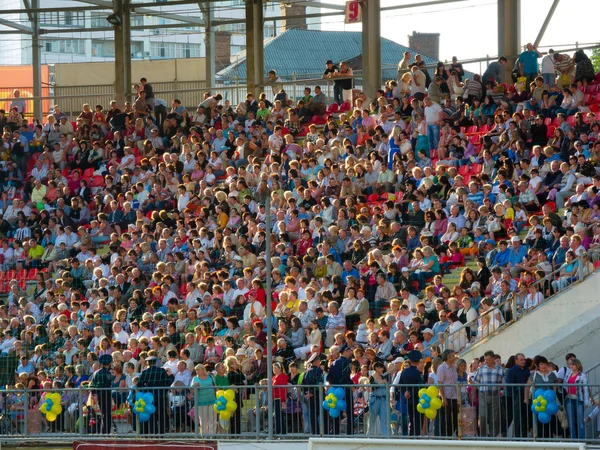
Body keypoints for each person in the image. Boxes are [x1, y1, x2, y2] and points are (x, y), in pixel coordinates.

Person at [138, 354, 175, 435]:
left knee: (151, 414)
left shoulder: (145, 372)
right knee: (161, 414)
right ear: (155, 363)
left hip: (149, 397)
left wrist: (145, 387)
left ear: (148, 363)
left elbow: (139, 384)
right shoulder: (162, 371)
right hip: (161, 396)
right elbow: (168, 382)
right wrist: (171, 376)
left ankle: (152, 431)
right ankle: (161, 432)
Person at [472, 350, 504, 437]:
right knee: (482, 416)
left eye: (488, 360)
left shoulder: (500, 369)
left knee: (494, 418)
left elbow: (504, 383)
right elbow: (476, 382)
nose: (486, 362)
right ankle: (483, 437)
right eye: (485, 360)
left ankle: (494, 437)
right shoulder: (481, 369)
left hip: (495, 395)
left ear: (493, 359)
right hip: (483, 395)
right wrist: (473, 394)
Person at [326, 345, 354, 435]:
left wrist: (335, 385)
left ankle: (335, 432)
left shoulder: (333, 363)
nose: (350, 353)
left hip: (335, 390)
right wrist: (350, 384)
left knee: (337, 410)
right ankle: (350, 432)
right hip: (345, 389)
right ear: (345, 351)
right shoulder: (346, 362)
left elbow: (328, 378)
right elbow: (346, 376)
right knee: (349, 411)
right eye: (349, 351)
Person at [399, 350, 425, 436]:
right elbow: (421, 387)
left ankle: (410, 435)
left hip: (408, 399)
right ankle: (415, 436)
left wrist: (405, 392)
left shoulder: (404, 371)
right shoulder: (418, 373)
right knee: (418, 419)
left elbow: (400, 384)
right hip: (417, 399)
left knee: (411, 418)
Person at [89, 353, 114, 434]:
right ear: (109, 363)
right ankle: (106, 432)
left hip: (99, 395)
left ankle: (103, 432)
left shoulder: (96, 373)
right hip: (106, 395)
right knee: (107, 415)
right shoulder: (108, 373)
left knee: (103, 414)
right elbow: (111, 382)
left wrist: (94, 394)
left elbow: (91, 384)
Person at [436, 349, 459, 437]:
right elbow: (440, 383)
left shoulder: (453, 367)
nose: (455, 357)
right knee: (446, 419)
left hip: (454, 396)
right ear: (448, 357)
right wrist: (443, 398)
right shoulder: (441, 368)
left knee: (454, 418)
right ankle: (445, 437)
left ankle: (452, 435)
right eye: (453, 356)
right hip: (446, 396)